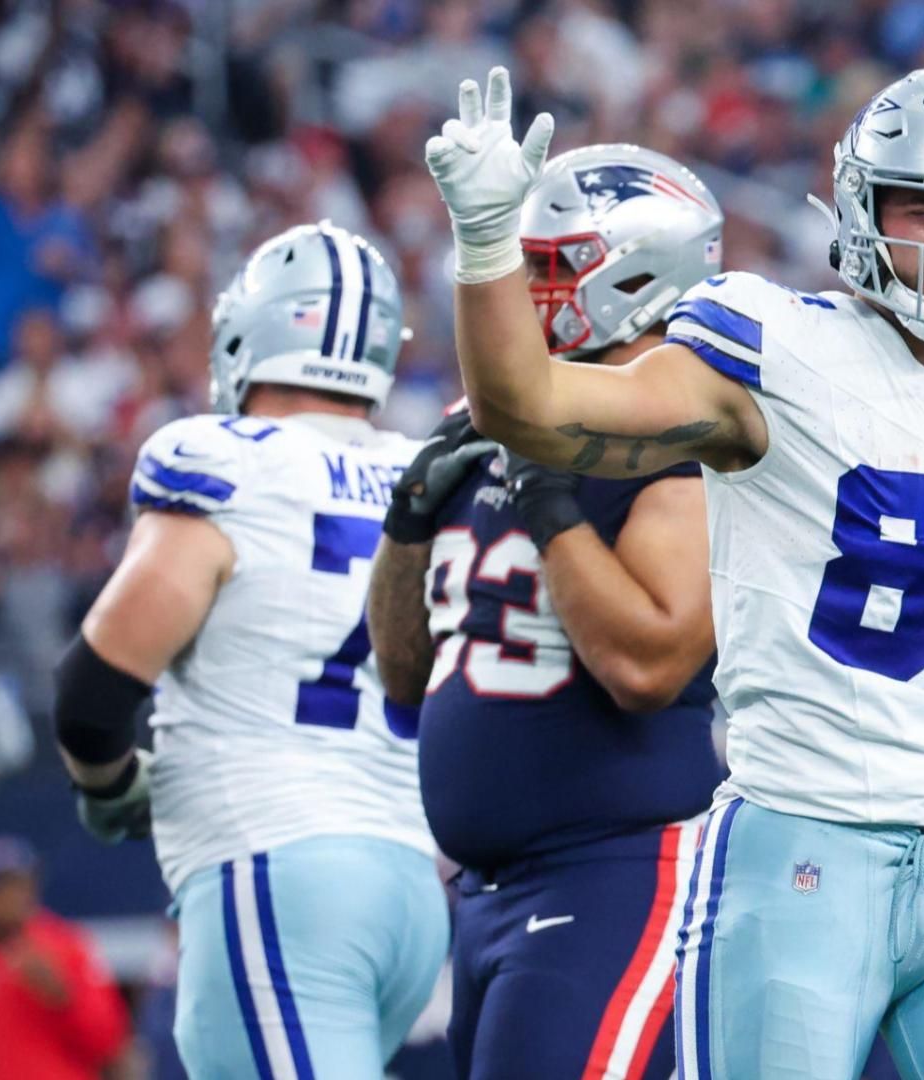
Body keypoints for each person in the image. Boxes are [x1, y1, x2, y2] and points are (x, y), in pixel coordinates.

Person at [423, 66, 924, 1079]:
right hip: (801, 852)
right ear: (860, 210)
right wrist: (487, 243)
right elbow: (525, 406)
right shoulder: (769, 349)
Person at [51, 222, 449, 1079]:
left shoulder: (228, 460)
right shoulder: (424, 468)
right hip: (411, 890)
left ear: (253, 328)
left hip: (278, 863)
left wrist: (113, 786)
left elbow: (91, 694)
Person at [367, 142, 725, 1080]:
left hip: (615, 873)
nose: (523, 290)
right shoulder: (495, 415)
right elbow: (405, 673)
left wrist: (548, 501)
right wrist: (409, 517)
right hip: (485, 897)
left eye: (547, 266)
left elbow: (650, 665)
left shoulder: (678, 434)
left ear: (637, 274)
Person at [0, 837, 131, 1080]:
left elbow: (109, 1040)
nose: (15, 898)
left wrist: (63, 996)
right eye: (4, 888)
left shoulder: (65, 946)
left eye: (23, 885)